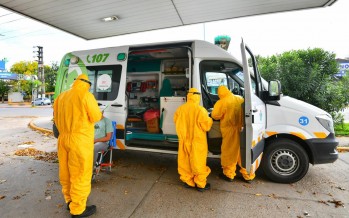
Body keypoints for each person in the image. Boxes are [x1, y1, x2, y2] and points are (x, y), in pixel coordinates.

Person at [54, 74, 102, 217]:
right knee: (80, 173)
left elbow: (55, 119)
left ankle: (69, 201)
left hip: (63, 139)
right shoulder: (86, 95)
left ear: (76, 82)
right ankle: (78, 209)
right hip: (80, 141)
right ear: (87, 84)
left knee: (66, 173)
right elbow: (95, 116)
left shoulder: (61, 97)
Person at [211, 85, 255, 183]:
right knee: (242, 152)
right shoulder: (239, 98)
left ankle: (229, 174)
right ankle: (248, 174)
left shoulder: (221, 102)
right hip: (242, 128)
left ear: (219, 93)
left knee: (229, 152)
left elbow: (215, 115)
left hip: (229, 130)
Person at [174, 87, 213, 192]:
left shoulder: (180, 109)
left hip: (183, 140)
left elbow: (176, 121)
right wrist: (210, 119)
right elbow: (206, 126)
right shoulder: (200, 110)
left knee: (184, 161)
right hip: (197, 141)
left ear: (189, 96)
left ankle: (188, 181)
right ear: (197, 97)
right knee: (198, 162)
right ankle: (200, 184)